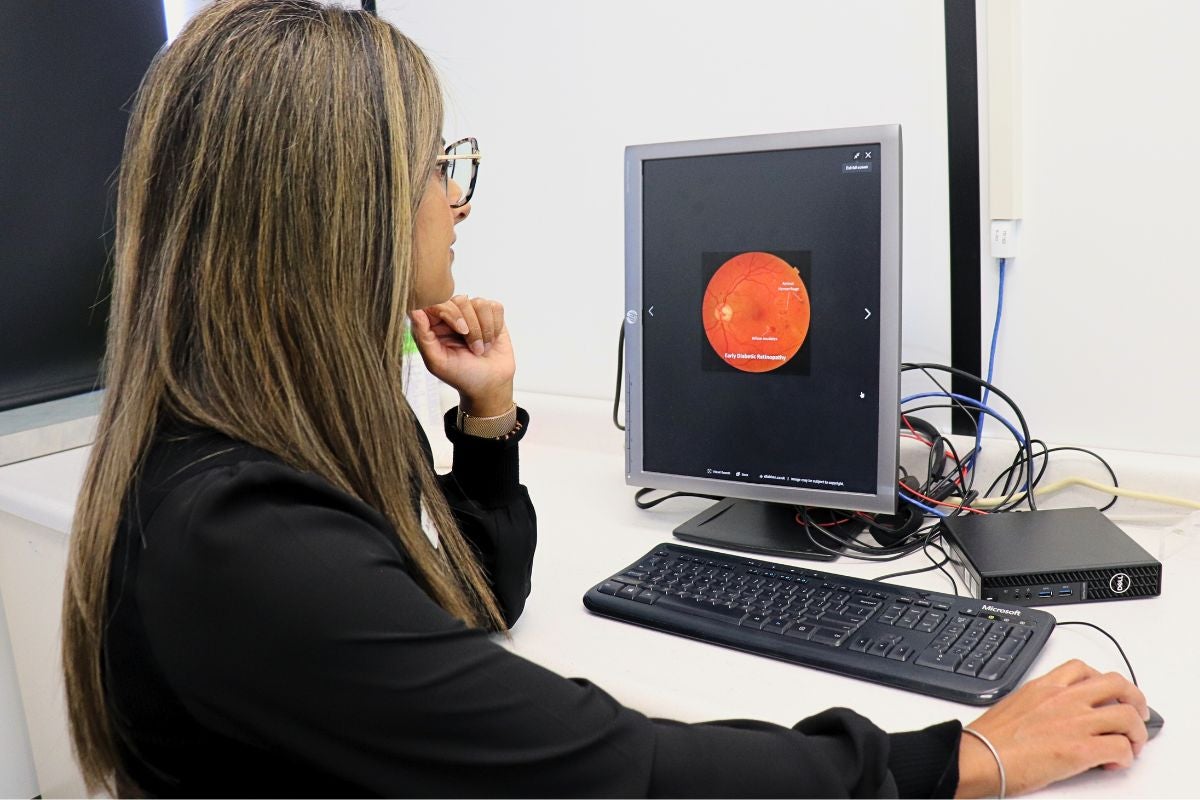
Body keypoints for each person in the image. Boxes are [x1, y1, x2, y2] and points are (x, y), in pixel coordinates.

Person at [61, 1, 1152, 797]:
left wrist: (487, 422)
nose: (456, 202)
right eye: (439, 166)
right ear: (338, 209)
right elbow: (622, 774)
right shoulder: (244, 546)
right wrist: (964, 755)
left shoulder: (252, 449)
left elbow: (469, 594)